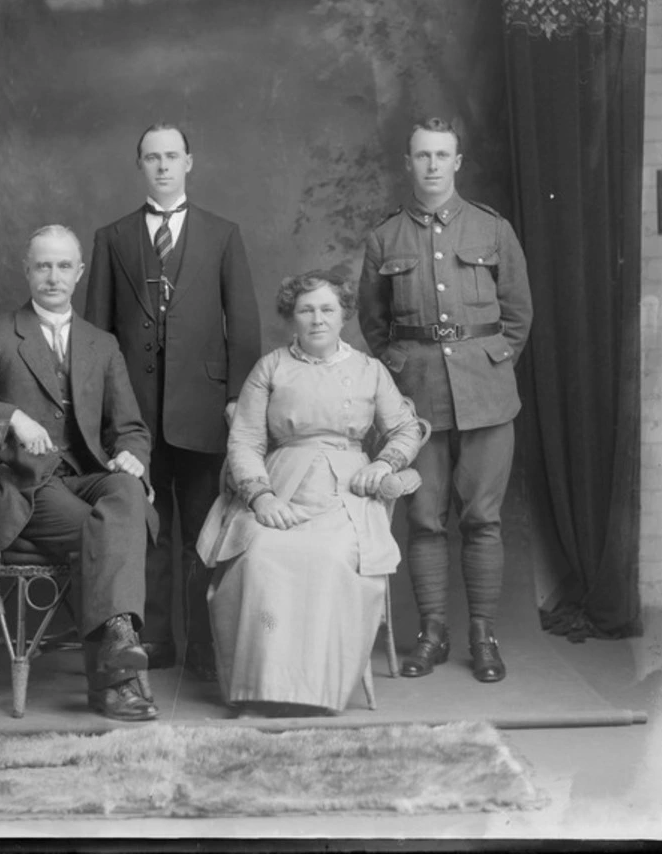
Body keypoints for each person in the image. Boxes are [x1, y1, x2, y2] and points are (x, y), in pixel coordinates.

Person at [0, 225, 160, 721]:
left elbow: (132, 427)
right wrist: (11, 417)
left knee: (125, 490)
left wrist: (133, 455)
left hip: (86, 474)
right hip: (31, 486)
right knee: (110, 534)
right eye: (42, 266)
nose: (52, 276)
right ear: (27, 271)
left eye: (62, 266)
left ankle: (117, 655)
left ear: (78, 274)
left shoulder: (102, 343)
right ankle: (118, 679)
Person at [196, 270, 425, 717]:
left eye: (327, 309)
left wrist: (383, 463)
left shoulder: (369, 370)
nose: (317, 319)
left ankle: (318, 691)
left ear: (343, 317)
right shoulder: (271, 368)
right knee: (260, 556)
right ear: (291, 318)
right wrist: (261, 497)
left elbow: (403, 429)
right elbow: (244, 440)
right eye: (306, 310)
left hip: (348, 493)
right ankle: (260, 687)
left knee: (332, 558)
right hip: (281, 484)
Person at [358, 116, 533, 683]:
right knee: (426, 518)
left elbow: (517, 316)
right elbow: (374, 323)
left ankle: (483, 634)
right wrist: (402, 372)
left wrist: (489, 363)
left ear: (458, 162)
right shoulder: (385, 238)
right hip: (418, 399)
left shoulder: (492, 229)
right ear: (407, 163)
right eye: (422, 156)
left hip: (486, 395)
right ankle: (432, 632)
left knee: (482, 517)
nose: (432, 165)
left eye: (442, 155)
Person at [84, 123, 261, 681]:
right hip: (134, 417)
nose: (162, 166)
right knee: (145, 530)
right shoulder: (112, 237)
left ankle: (206, 643)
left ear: (190, 162)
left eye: (172, 157)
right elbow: (95, 335)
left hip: (206, 411)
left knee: (207, 528)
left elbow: (246, 325)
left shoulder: (222, 233)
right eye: (151, 158)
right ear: (139, 165)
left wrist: (237, 399)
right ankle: (154, 638)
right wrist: (108, 413)